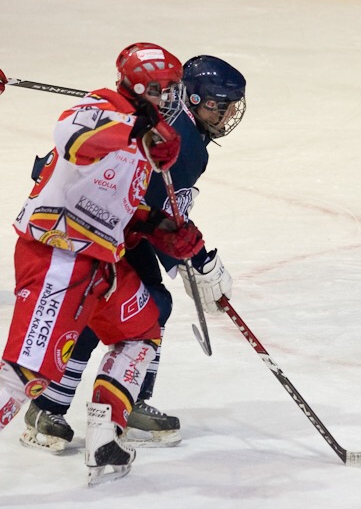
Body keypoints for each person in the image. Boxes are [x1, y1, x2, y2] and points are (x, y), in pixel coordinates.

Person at [0, 42, 205, 485]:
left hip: (99, 265)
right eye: (163, 88)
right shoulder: (101, 106)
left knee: (143, 331)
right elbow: (71, 139)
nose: (170, 98)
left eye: (174, 89)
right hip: (58, 256)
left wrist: (160, 226)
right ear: (140, 87)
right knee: (24, 374)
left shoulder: (147, 136)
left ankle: (104, 439)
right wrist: (138, 130)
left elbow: (117, 204)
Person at [19, 55, 247, 453]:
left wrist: (190, 257)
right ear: (195, 99)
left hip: (110, 224)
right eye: (220, 105)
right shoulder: (182, 139)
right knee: (111, 309)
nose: (228, 114)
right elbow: (156, 211)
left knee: (149, 307)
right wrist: (196, 262)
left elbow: (153, 209)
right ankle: (50, 406)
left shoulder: (173, 126)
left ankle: (116, 403)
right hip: (86, 226)